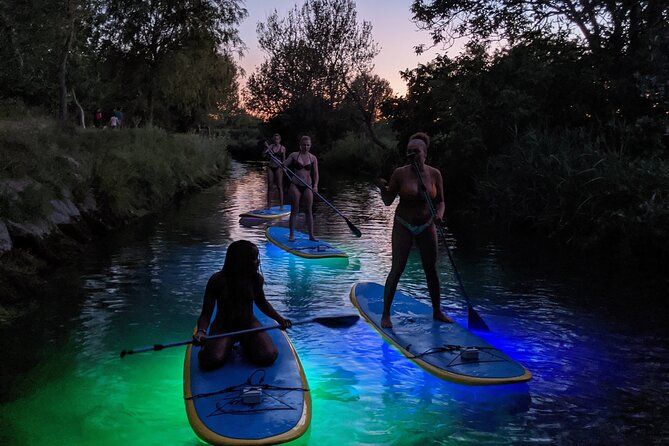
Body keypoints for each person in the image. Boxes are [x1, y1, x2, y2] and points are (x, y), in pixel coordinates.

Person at [377, 132, 453, 328]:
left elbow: (441, 201)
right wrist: (382, 188)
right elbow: (387, 202)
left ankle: (437, 311)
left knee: (431, 269)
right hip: (404, 223)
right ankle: (385, 314)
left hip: (427, 224)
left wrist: (439, 215)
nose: (411, 155)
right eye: (409, 152)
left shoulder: (435, 174)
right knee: (398, 268)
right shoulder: (400, 173)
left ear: (425, 153)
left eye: (416, 152)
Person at [193, 240, 292, 371]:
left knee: (268, 356)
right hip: (223, 327)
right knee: (211, 361)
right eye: (254, 259)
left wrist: (281, 320)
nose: (258, 262)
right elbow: (206, 314)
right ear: (241, 262)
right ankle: (218, 345)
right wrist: (201, 331)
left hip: (248, 325)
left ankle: (246, 343)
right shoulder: (217, 280)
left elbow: (262, 303)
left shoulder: (256, 279)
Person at [285, 135, 319, 242]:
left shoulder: (313, 158)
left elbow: (316, 174)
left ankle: (311, 235)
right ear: (300, 145)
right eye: (304, 145)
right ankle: (291, 235)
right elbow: (285, 164)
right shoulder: (294, 155)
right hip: (295, 185)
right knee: (295, 210)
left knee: (309, 210)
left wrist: (315, 185)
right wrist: (283, 165)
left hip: (308, 186)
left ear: (310, 145)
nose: (306, 147)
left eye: (308, 145)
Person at [263, 133, 286, 207]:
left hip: (278, 167)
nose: (276, 140)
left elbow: (284, 160)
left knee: (279, 186)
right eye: (275, 139)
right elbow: (264, 155)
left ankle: (281, 205)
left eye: (277, 139)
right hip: (270, 167)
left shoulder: (282, 148)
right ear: (273, 140)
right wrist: (266, 148)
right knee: (270, 186)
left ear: (280, 140)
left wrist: (284, 167)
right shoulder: (270, 146)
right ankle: (268, 205)